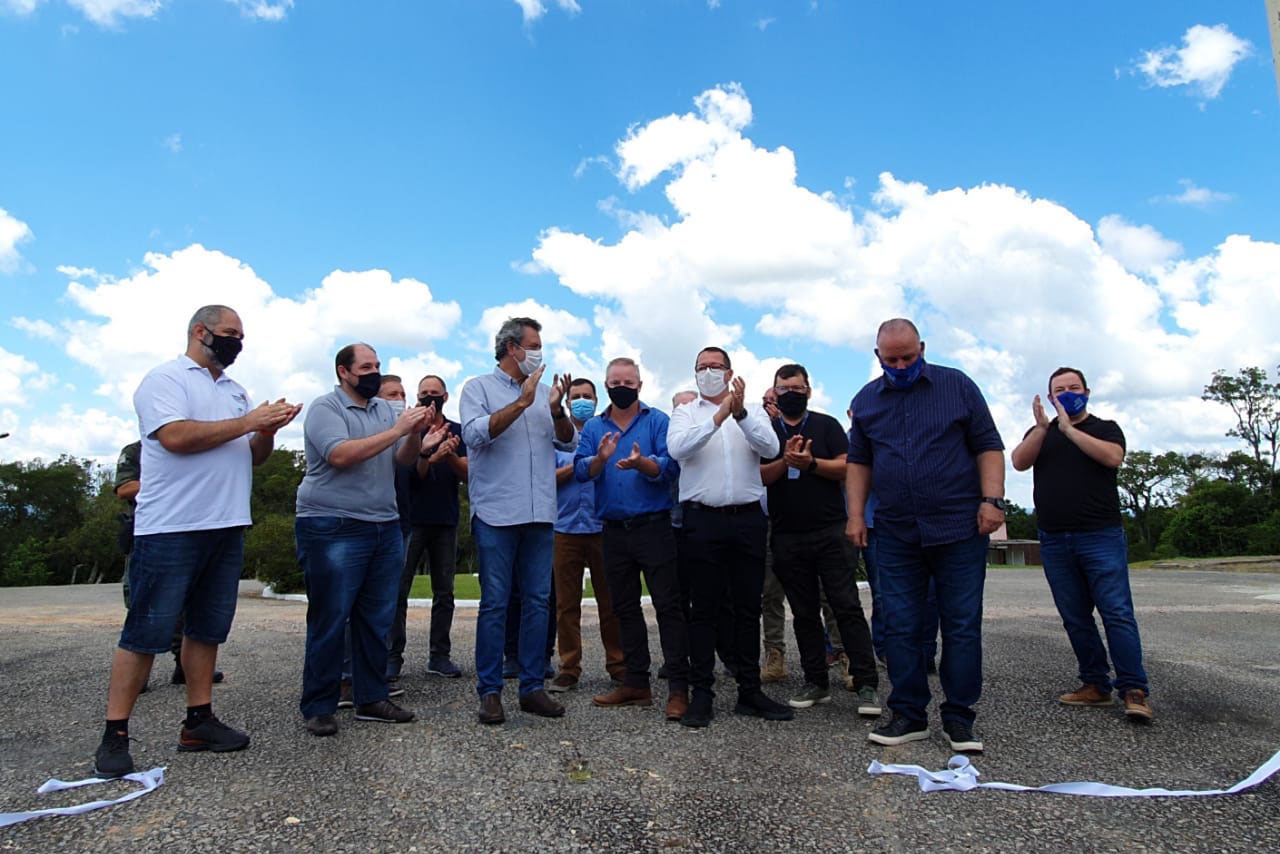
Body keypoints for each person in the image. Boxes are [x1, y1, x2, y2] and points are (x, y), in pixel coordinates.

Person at [93, 305, 300, 778]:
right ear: (200, 332)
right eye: (230, 333)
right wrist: (250, 421)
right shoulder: (165, 380)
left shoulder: (234, 391)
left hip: (225, 523)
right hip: (171, 526)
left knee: (207, 628)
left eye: (242, 336)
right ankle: (115, 732)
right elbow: (176, 437)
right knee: (145, 631)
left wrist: (265, 431)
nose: (237, 343)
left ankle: (198, 720)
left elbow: (253, 455)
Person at [846, 319, 1005, 754]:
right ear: (878, 357)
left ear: (923, 349)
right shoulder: (866, 400)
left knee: (960, 623)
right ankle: (909, 713)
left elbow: (988, 445)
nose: (900, 365)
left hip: (958, 526)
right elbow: (859, 462)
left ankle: (959, 717)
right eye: (892, 359)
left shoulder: (958, 387)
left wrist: (993, 500)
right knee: (898, 624)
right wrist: (856, 515)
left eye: (908, 357)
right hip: (894, 531)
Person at [296, 343, 444, 737]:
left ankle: (371, 697)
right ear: (344, 372)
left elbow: (402, 459)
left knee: (376, 618)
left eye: (377, 365)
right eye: (366, 366)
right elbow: (340, 455)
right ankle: (319, 705)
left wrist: (416, 437)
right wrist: (398, 428)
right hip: (332, 523)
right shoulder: (326, 408)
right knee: (331, 617)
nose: (374, 372)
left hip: (384, 523)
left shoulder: (383, 410)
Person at [1011, 366, 1152, 721]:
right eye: (1059, 390)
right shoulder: (1040, 433)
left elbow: (1112, 458)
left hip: (1099, 535)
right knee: (1075, 617)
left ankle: (1133, 689)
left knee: (1116, 613)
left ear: (1087, 392)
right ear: (1049, 396)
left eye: (1074, 388)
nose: (1067, 394)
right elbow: (1018, 461)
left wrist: (1070, 430)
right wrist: (1044, 429)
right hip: (1055, 539)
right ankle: (1094, 684)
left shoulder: (1105, 429)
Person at [667, 346, 792, 727]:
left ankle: (749, 690)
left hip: (747, 520)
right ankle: (702, 693)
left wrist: (737, 413)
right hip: (702, 521)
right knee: (703, 609)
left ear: (730, 371)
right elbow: (678, 449)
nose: (708, 372)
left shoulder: (752, 410)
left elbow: (771, 448)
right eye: (701, 367)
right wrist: (717, 418)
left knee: (746, 607)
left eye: (715, 366)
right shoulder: (685, 412)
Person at [460, 316, 576, 724]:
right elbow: (474, 436)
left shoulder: (545, 393)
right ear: (512, 348)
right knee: (495, 604)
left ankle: (531, 688)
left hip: (540, 512)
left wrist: (556, 409)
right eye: (533, 344)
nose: (538, 352)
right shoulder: (478, 388)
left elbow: (568, 440)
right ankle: (490, 692)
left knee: (538, 602)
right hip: (496, 512)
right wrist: (521, 403)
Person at [760, 364, 880, 716]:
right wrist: (786, 461)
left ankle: (866, 681)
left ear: (809, 391)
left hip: (829, 531)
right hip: (785, 534)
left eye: (797, 388)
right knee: (803, 611)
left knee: (845, 606)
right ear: (774, 392)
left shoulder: (827, 425)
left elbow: (848, 466)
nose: (790, 394)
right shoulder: (766, 432)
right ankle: (816, 680)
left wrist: (811, 464)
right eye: (783, 389)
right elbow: (759, 476)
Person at [577, 358, 690, 721]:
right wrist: (600, 460)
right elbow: (582, 470)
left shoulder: (657, 421)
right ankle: (636, 683)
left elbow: (670, 467)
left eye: (628, 381)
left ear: (639, 385)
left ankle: (678, 688)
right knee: (623, 608)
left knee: (669, 607)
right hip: (612, 531)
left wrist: (644, 464)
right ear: (606, 384)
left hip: (654, 527)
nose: (621, 386)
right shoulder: (594, 427)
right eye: (615, 381)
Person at [114, 440, 225, 692]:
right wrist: (174, 485)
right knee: (143, 604)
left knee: (187, 603)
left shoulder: (188, 448)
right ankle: (136, 675)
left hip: (189, 527)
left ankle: (184, 667)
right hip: (148, 531)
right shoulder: (135, 451)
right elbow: (125, 488)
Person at [548, 378, 626, 693]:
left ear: (597, 400)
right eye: (576, 396)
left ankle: (619, 665)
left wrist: (600, 463)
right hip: (564, 528)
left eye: (587, 396)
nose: (582, 401)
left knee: (612, 602)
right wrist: (586, 465)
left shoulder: (606, 434)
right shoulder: (553, 439)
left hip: (602, 527)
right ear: (567, 403)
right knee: (567, 605)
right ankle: (569, 667)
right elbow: (546, 479)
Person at [388, 374, 468, 682]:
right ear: (416, 398)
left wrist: (448, 456)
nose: (429, 398)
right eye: (424, 393)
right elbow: (409, 470)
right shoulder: (408, 429)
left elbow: (466, 473)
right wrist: (428, 452)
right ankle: (392, 656)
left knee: (444, 592)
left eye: (435, 393)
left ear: (446, 398)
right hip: (409, 519)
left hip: (445, 519)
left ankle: (439, 656)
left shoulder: (457, 431)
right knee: (399, 591)